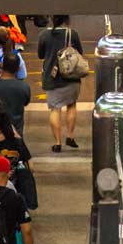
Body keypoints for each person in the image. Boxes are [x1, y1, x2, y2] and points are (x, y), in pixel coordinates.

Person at [38, 15, 85, 152]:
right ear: (66, 19)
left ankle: (57, 143)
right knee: (71, 105)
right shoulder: (72, 34)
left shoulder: (44, 35)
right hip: (71, 76)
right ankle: (70, 136)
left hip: (52, 78)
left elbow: (40, 55)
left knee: (55, 109)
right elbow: (80, 52)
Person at [0, 52, 31, 136]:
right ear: (18, 68)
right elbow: (26, 102)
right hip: (16, 134)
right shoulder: (24, 87)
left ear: (1, 65)